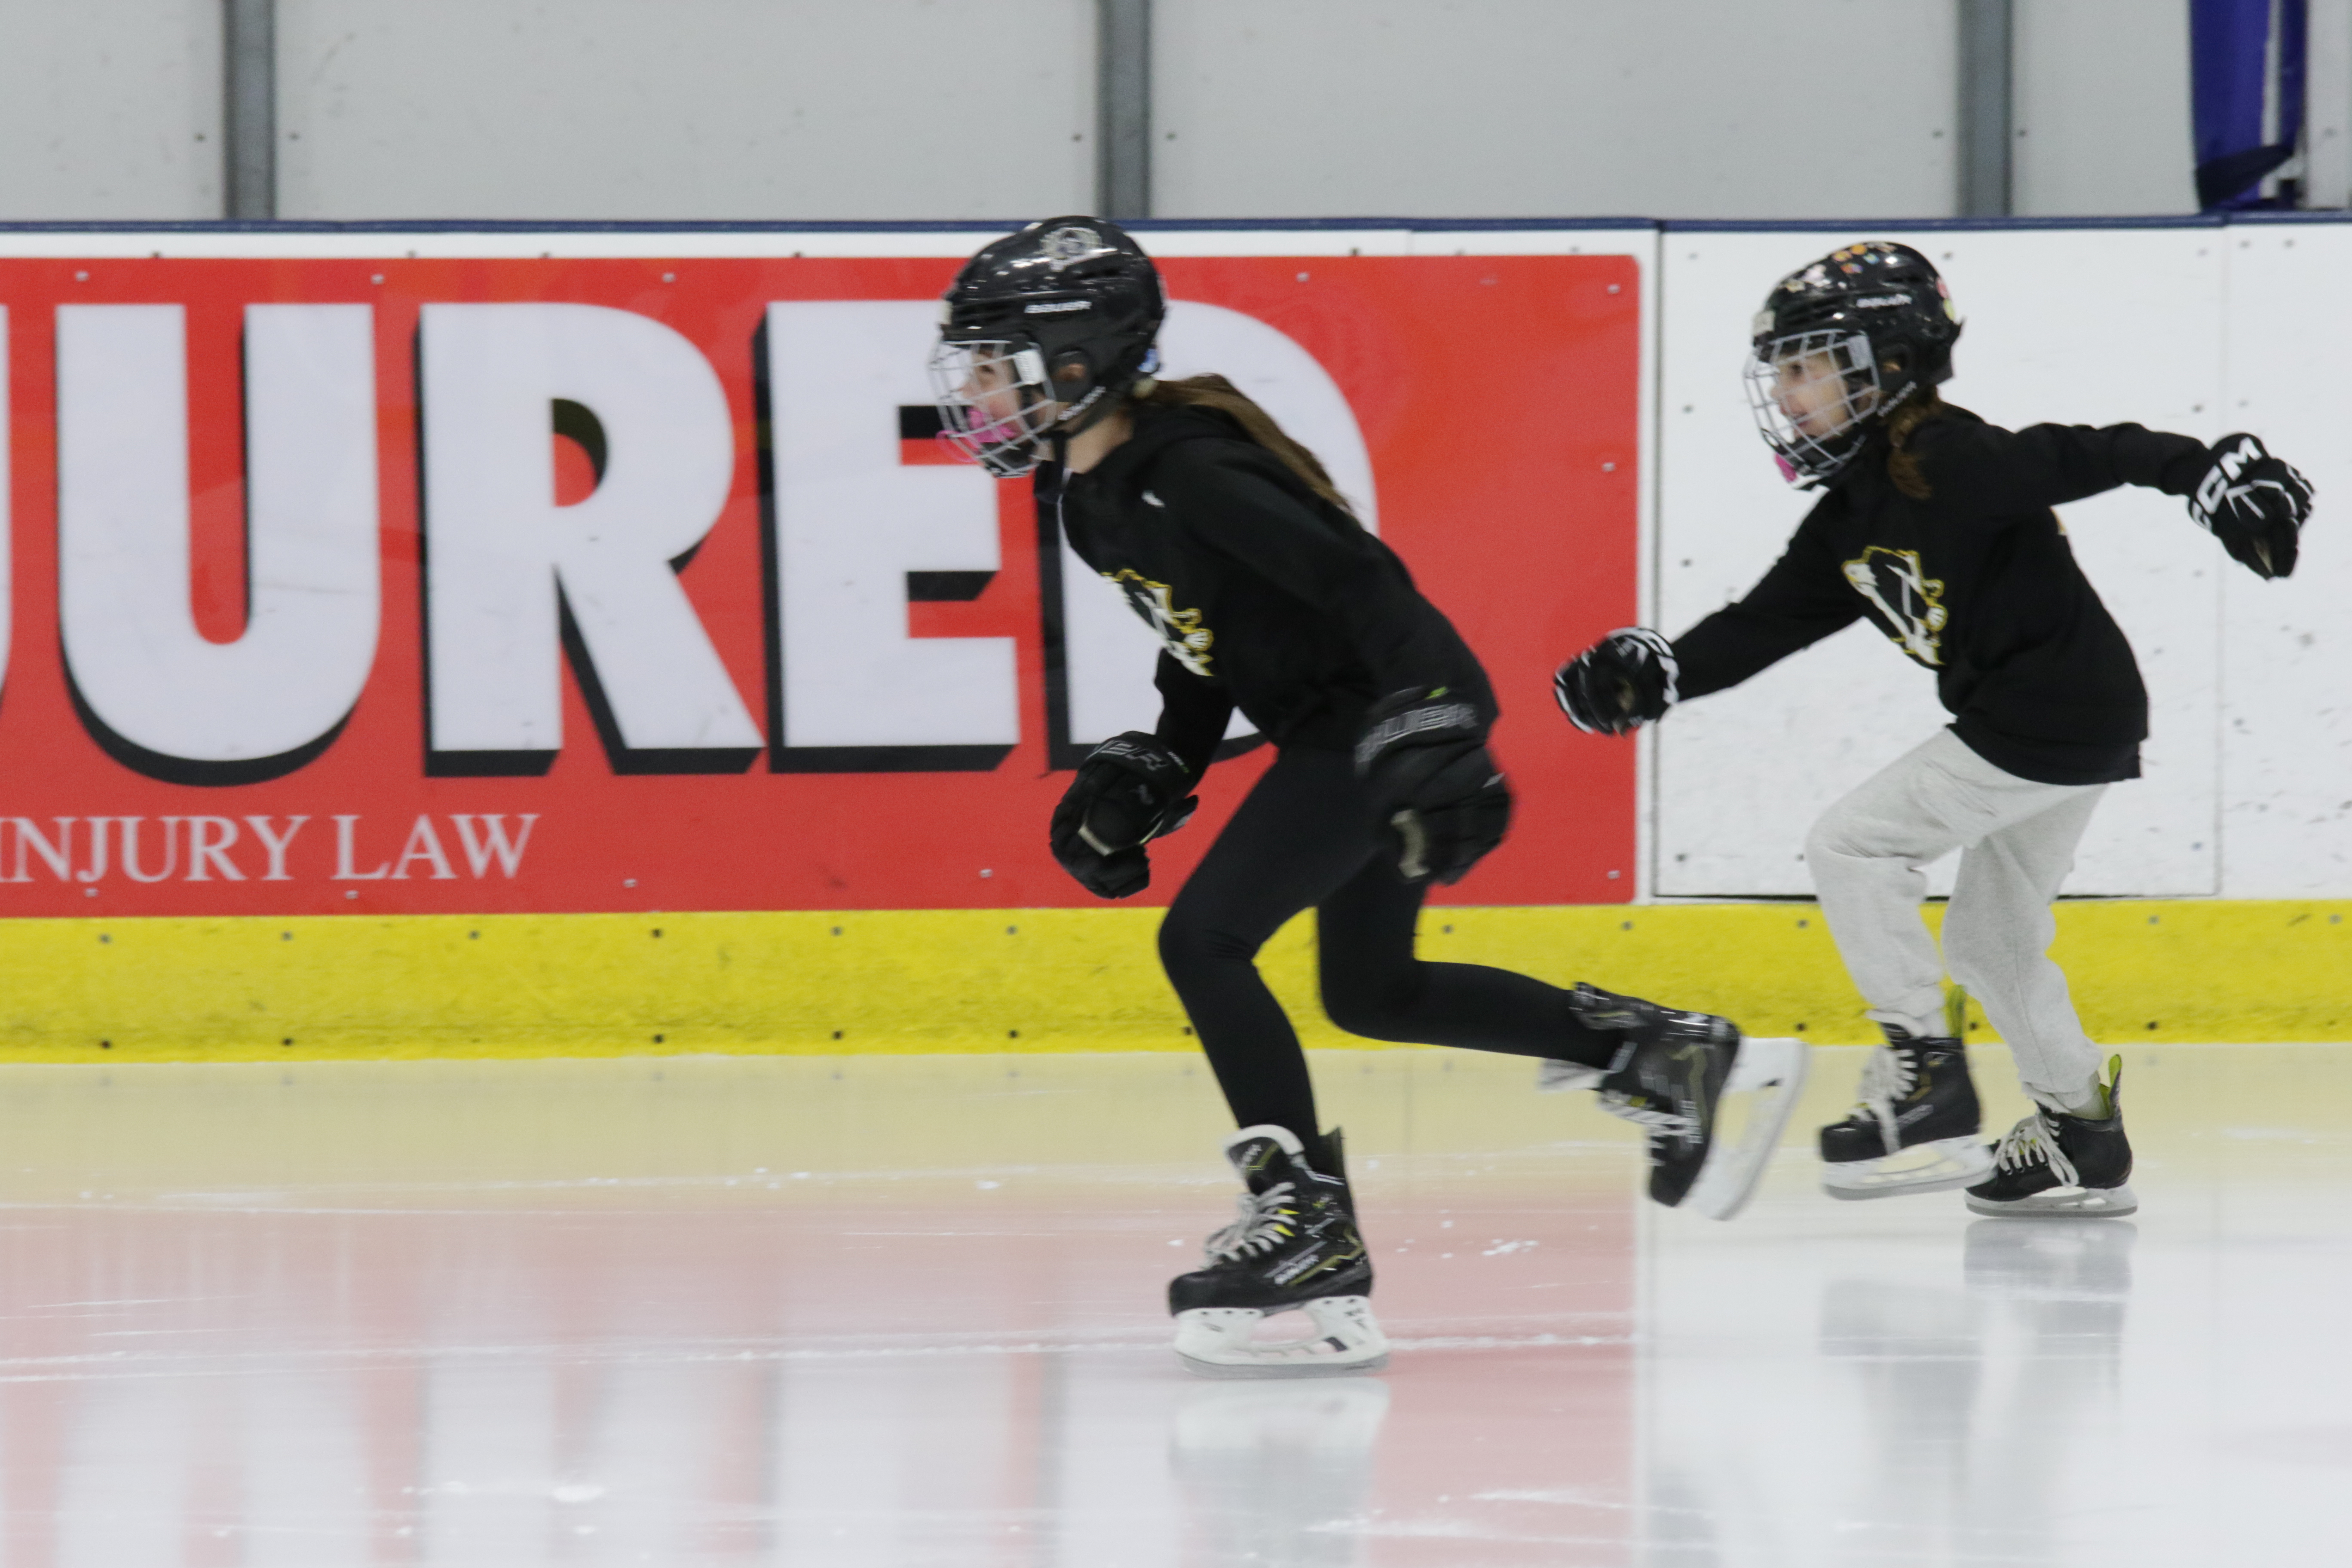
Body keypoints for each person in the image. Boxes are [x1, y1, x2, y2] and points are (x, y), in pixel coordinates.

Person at [930, 217, 1807, 1376]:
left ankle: (1307, 1226)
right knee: (1373, 988)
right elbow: (1200, 644)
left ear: (1080, 357)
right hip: (1349, 730)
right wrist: (1166, 762)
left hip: (1380, 727)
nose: (976, 389)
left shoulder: (1188, 467)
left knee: (1204, 942)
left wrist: (1437, 717)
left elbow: (1366, 583)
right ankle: (1658, 1053)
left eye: (996, 360)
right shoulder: (1089, 499)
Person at [1554, 241, 2312, 1219]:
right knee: (1992, 943)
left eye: (1804, 366)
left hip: (2041, 720)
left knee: (1853, 843)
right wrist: (1663, 673)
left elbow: (2086, 450)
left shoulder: (1951, 457)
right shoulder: (1851, 513)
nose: (1785, 395)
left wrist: (2207, 471)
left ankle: (1926, 1075)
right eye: (1779, 372)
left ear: (1888, 364)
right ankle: (2081, 1133)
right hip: (2068, 725)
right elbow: (1766, 623)